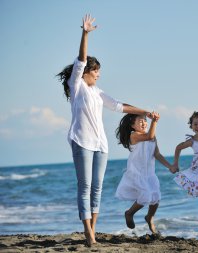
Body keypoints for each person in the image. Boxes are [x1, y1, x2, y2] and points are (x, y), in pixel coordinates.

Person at [56, 14, 153, 246]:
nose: (99, 74)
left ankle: (93, 231)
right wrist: (85, 34)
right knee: (85, 187)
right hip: (82, 141)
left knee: (97, 189)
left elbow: (119, 106)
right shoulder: (77, 86)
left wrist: (146, 112)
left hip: (100, 144)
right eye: (96, 70)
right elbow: (80, 60)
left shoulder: (98, 92)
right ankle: (88, 234)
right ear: (86, 71)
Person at [115, 112, 178, 234]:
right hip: (137, 173)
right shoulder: (134, 135)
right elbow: (148, 136)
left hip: (149, 174)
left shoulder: (152, 136)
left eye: (145, 120)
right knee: (145, 196)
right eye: (140, 121)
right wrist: (154, 121)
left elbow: (157, 154)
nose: (144, 123)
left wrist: (169, 166)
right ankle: (129, 213)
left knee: (156, 198)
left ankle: (149, 217)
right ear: (133, 125)